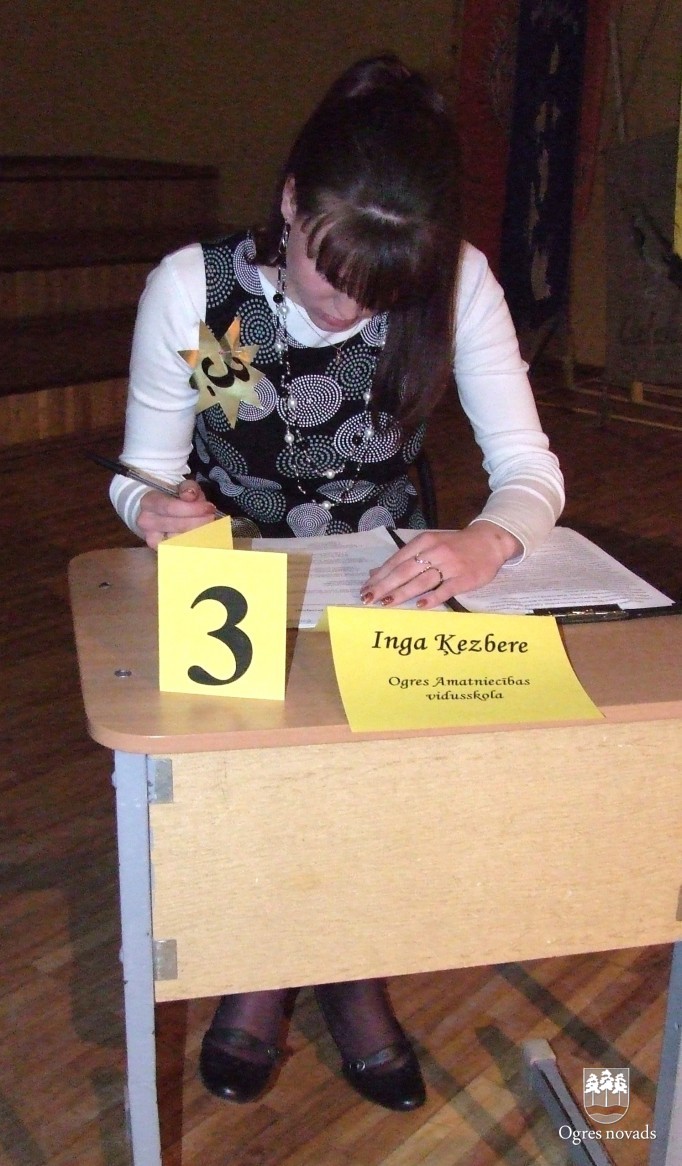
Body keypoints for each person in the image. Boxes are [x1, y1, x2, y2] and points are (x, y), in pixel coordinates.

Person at [110, 54, 564, 1111]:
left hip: (383, 571)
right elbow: (146, 469)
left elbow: (528, 471)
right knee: (248, 773)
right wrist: (150, 509)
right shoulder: (202, 292)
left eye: (380, 294)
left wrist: (485, 542)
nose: (351, 312)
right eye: (330, 279)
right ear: (289, 204)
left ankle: (352, 969)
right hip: (233, 570)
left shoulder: (457, 281)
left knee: (377, 784)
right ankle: (265, 968)